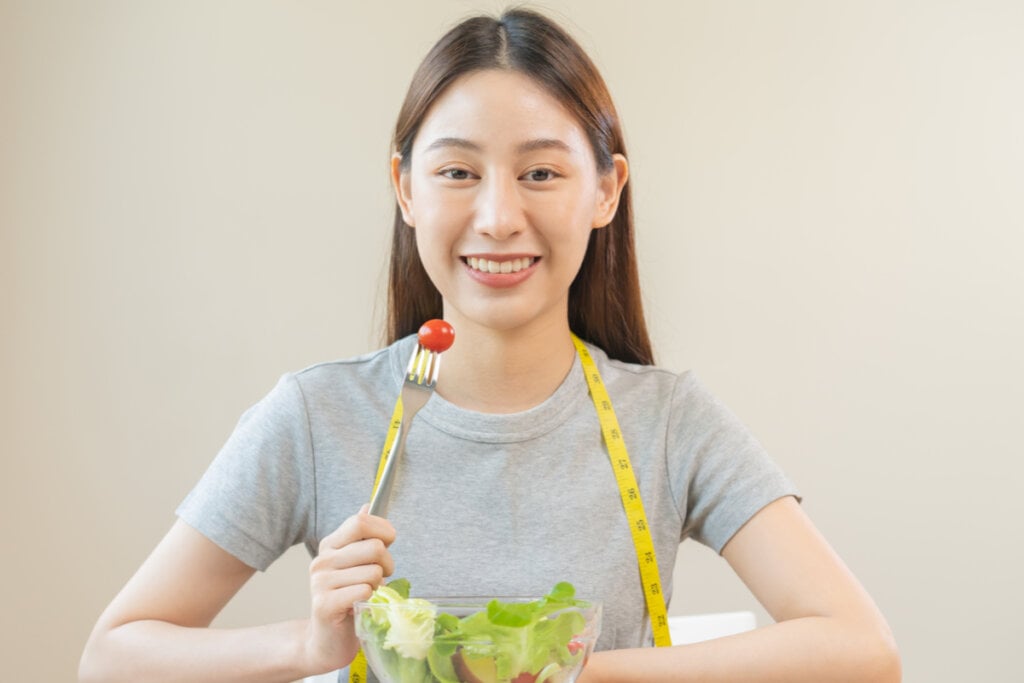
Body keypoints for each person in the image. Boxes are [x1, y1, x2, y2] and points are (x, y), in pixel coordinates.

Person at [79, 8, 900, 683]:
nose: (499, 216)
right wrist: (308, 646)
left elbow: (862, 651)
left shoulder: (669, 422)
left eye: (540, 173)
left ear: (606, 189)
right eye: (458, 173)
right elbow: (111, 658)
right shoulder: (316, 415)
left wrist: (568, 669)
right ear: (405, 188)